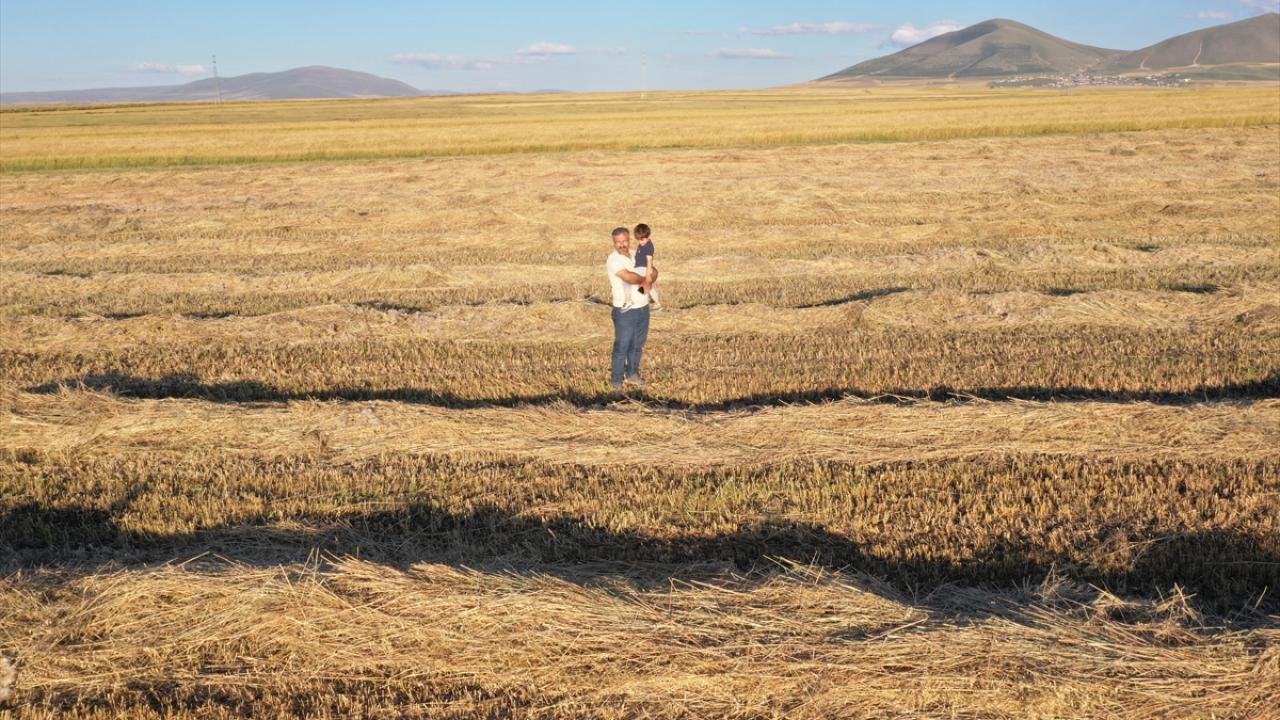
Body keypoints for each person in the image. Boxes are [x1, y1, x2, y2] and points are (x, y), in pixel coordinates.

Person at [605, 226, 656, 390]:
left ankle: (632, 374)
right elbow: (629, 277)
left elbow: (654, 270)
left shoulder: (637, 253)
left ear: (629, 239)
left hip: (643, 308)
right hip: (625, 311)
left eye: (625, 241)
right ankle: (617, 381)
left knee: (637, 345)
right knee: (622, 346)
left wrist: (650, 277)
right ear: (614, 243)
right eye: (618, 242)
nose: (622, 244)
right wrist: (645, 280)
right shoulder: (613, 260)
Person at [631, 223, 662, 310]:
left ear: (647, 236)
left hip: (643, 269)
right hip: (639, 268)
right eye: (638, 240)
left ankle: (653, 302)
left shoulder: (648, 247)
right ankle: (655, 302)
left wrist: (648, 275)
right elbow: (637, 254)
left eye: (642, 240)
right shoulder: (642, 244)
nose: (640, 242)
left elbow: (649, 261)